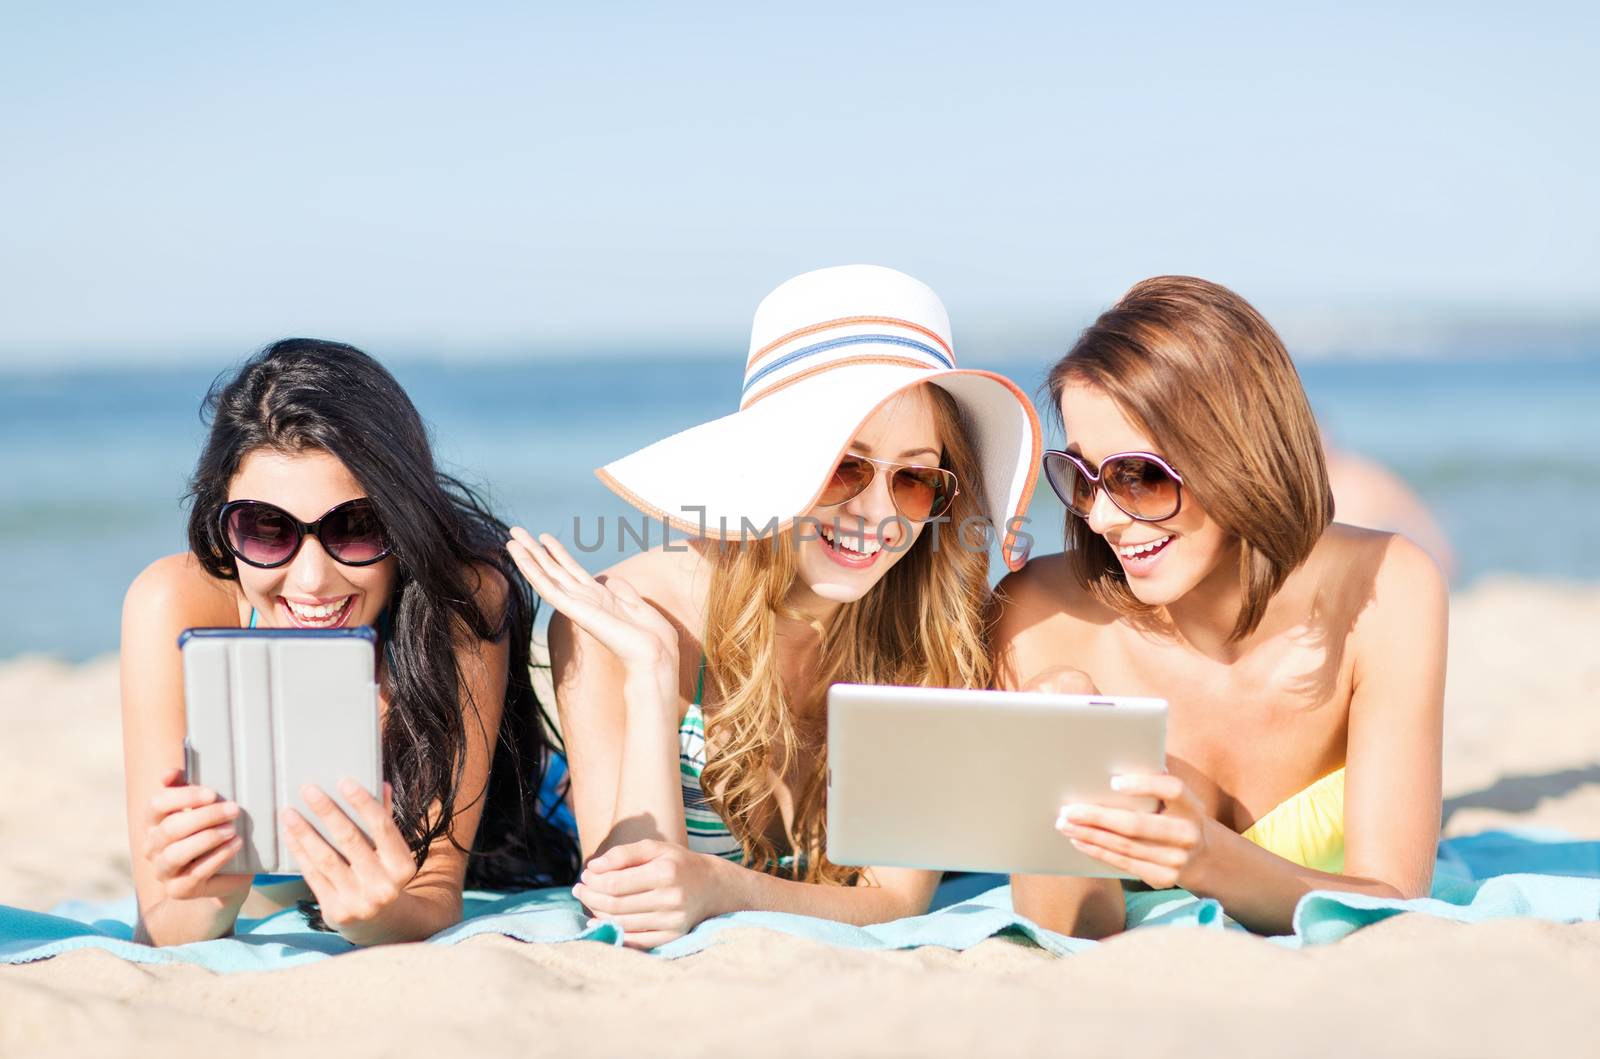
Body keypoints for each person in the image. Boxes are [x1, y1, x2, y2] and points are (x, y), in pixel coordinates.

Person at [508, 264, 1041, 949]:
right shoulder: (626, 618)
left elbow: (897, 898)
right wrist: (650, 673)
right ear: (771, 464)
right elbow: (632, 908)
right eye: (845, 466)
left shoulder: (929, 628)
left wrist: (723, 887)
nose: (877, 513)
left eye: (912, 479)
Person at [995, 277, 1447, 937]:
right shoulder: (1039, 620)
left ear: (1240, 455)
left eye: (1141, 476)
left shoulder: (1388, 588)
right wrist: (1059, 760)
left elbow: (1394, 899)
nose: (1103, 518)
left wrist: (1205, 854)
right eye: (1082, 477)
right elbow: (1068, 933)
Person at [120, 338, 577, 946]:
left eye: (356, 527)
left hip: (515, 826)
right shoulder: (170, 605)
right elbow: (165, 923)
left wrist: (380, 919)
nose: (311, 579)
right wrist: (207, 901)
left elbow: (437, 889)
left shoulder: (459, 599)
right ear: (220, 518)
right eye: (266, 528)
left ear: (405, 519)